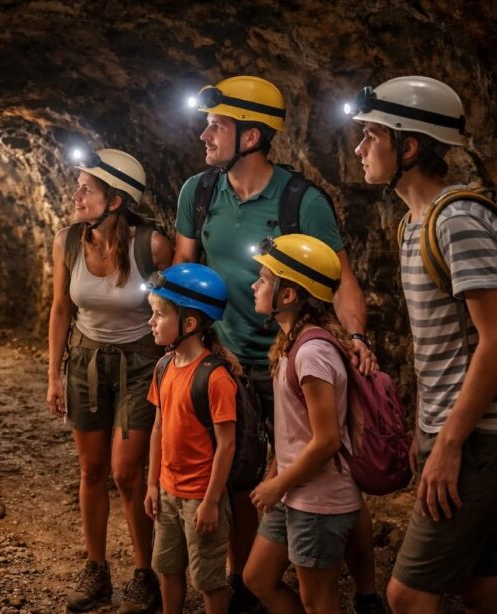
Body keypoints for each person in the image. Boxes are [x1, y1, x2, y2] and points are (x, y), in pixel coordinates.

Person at [175, 75, 381, 613]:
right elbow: (184, 270)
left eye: (216, 124)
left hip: (294, 360)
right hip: (234, 365)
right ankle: (247, 583)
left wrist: (355, 337)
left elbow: (342, 279)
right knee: (243, 476)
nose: (204, 134)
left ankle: (365, 592)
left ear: (251, 135)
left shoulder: (300, 201)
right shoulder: (197, 194)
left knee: (337, 474)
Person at [350, 75, 497, 612]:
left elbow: (495, 342)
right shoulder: (415, 223)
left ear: (407, 146)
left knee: (407, 594)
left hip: (478, 438)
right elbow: (436, 345)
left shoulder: (457, 220)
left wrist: (450, 444)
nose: (360, 148)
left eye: (371, 135)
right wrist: (423, 427)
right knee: (481, 587)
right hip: (455, 430)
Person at [47, 147, 173, 613]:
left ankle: (147, 574)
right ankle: (97, 570)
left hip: (140, 364)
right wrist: (54, 376)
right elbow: (61, 309)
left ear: (115, 201)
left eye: (87, 189)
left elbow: (177, 306)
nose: (76, 195)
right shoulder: (67, 241)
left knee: (126, 473)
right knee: (92, 471)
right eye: (78, 186)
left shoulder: (152, 245)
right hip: (85, 361)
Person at [242, 233, 362, 613]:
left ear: (289, 295)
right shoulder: (292, 345)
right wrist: (277, 473)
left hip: (318, 499)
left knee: (318, 601)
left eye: (264, 278)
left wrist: (278, 483)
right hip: (294, 488)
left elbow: (326, 441)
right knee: (257, 577)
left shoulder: (311, 353)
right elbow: (296, 429)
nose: (254, 285)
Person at [144, 263, 238, 613]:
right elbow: (158, 428)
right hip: (168, 492)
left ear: (189, 324)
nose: (150, 322)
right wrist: (152, 484)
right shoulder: (164, 366)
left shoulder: (214, 379)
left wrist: (212, 500)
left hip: (200, 496)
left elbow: (226, 444)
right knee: (167, 568)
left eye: (158, 315)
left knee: (208, 579)